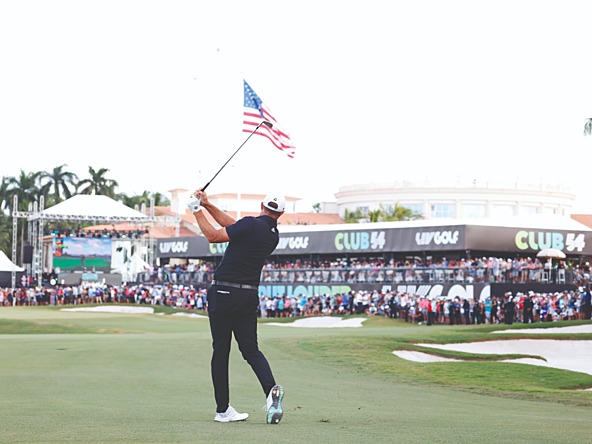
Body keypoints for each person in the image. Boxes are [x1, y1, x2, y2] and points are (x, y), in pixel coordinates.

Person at [188, 189, 285, 424]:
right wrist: (208, 205)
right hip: (248, 296)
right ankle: (271, 392)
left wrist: (195, 210)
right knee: (251, 350)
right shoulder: (272, 235)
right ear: (280, 213)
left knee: (221, 351)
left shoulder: (250, 225)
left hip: (223, 293)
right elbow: (233, 225)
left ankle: (223, 410)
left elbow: (213, 235)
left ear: (262, 205)